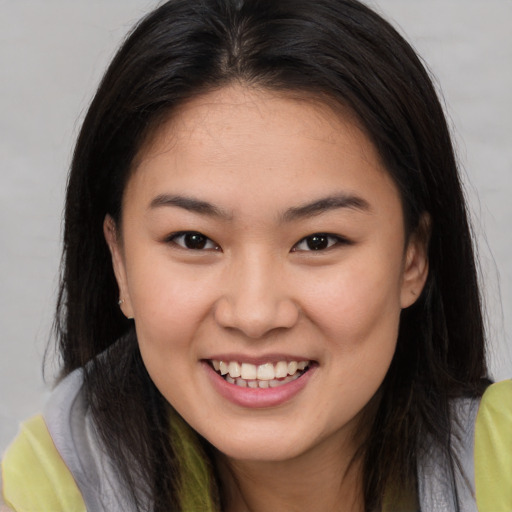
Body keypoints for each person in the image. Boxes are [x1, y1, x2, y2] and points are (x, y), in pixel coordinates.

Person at [1, 0, 511, 510]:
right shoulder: (45, 492)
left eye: (319, 241)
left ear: (412, 259)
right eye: (194, 240)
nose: (254, 314)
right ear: (120, 263)